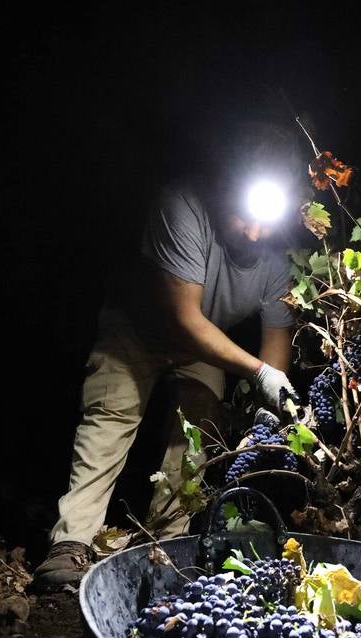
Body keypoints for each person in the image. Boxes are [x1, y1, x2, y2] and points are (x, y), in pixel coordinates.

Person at [31, 121, 304, 593]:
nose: (256, 233)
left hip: (203, 342)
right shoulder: (181, 206)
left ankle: (168, 542)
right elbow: (183, 319)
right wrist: (259, 372)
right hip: (138, 329)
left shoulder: (279, 254)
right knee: (111, 413)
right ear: (224, 188)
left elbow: (274, 344)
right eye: (245, 216)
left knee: (201, 424)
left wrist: (268, 401)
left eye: (267, 220)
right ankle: (70, 543)